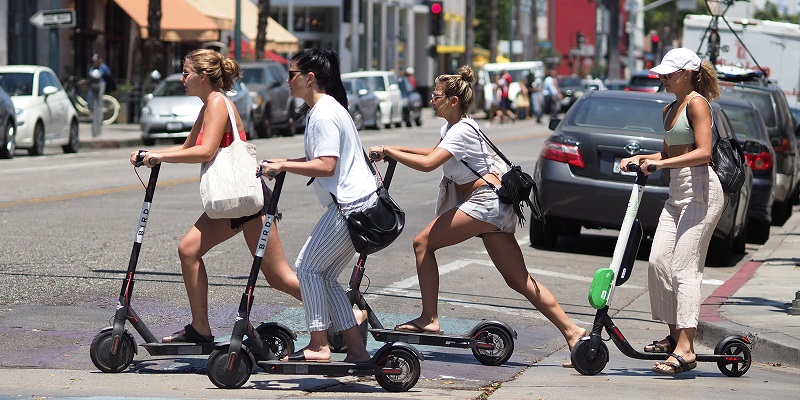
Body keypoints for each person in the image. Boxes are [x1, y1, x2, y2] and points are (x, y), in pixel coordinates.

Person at [368, 65, 586, 367]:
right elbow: (432, 151)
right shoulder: (455, 128)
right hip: (493, 204)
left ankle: (430, 318)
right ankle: (573, 332)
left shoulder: (461, 131)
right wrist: (391, 149)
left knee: (422, 244)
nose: (431, 100)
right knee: (518, 280)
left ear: (453, 101)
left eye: (436, 96)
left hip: (485, 202)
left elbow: (430, 163)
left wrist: (389, 149)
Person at [129, 49, 302, 343]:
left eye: (186, 73)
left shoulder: (218, 103)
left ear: (204, 76)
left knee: (279, 277)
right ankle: (200, 328)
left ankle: (346, 313)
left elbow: (206, 151)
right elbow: (186, 149)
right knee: (188, 250)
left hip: (247, 200)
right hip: (230, 202)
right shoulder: (208, 105)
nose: (182, 78)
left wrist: (159, 157)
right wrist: (149, 154)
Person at [258, 48, 372, 363]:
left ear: (309, 78)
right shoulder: (323, 109)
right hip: (356, 206)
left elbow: (326, 165)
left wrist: (284, 165)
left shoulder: (323, 113)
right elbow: (316, 161)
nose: (287, 80)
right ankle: (357, 351)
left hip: (350, 207)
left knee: (306, 269)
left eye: (292, 74)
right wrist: (281, 163)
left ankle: (319, 344)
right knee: (324, 276)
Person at [620, 47, 724, 376]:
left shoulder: (696, 103)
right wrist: (642, 159)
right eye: (661, 74)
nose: (662, 78)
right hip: (676, 192)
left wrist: (661, 163)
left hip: (702, 191)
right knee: (658, 262)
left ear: (686, 73)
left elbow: (704, 153)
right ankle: (673, 336)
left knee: (684, 268)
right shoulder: (669, 108)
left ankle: (687, 348)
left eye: (667, 73)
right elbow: (669, 151)